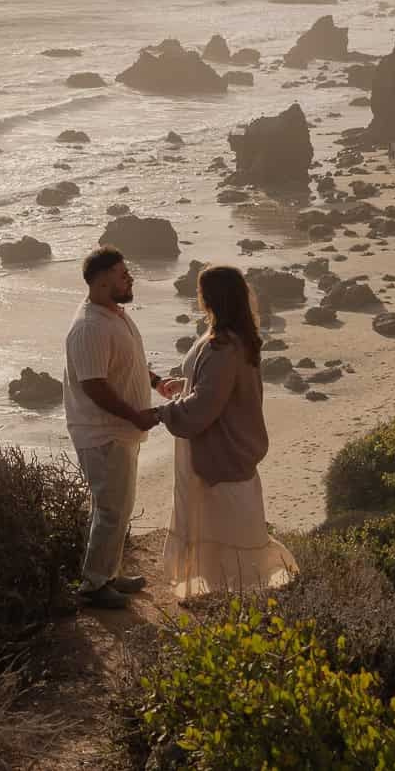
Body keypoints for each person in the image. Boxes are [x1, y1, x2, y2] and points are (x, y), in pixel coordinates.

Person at [156, 264, 297, 599]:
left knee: (224, 523)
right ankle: (223, 590)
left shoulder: (223, 346)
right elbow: (214, 388)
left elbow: (206, 404)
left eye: (201, 291)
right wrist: (183, 385)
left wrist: (162, 413)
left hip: (221, 449)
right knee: (224, 522)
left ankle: (234, 593)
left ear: (209, 298)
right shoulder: (236, 337)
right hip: (228, 445)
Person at [63, 245, 181, 609]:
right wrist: (134, 415)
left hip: (119, 431)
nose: (130, 278)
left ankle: (108, 574)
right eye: (122, 274)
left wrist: (156, 382)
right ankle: (94, 585)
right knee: (111, 510)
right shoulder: (90, 327)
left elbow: (128, 363)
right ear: (101, 281)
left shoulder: (114, 315)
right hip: (102, 433)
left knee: (117, 506)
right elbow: (94, 385)